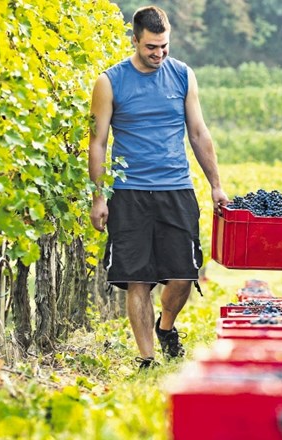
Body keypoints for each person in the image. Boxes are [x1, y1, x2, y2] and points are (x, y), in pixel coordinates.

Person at [88, 6, 229, 370]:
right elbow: (98, 143)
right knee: (138, 279)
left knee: (184, 275)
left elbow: (198, 133)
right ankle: (147, 357)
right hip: (129, 192)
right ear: (134, 40)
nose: (159, 54)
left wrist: (216, 185)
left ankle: (166, 327)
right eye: (151, 47)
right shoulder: (109, 82)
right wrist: (99, 196)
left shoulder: (182, 75)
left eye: (164, 46)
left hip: (176, 188)